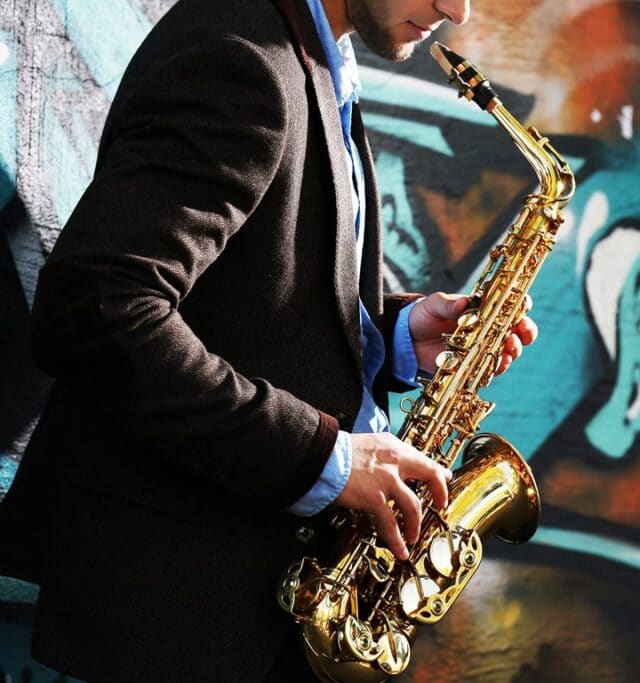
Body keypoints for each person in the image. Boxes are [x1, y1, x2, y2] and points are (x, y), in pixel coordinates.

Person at [0, 0, 537, 679]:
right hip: (183, 620)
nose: (455, 11)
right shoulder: (241, 58)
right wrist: (327, 459)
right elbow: (98, 310)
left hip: (246, 608)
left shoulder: (318, 53)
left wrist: (392, 333)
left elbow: (246, 292)